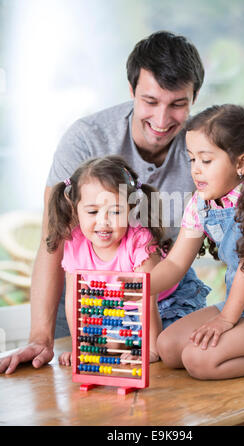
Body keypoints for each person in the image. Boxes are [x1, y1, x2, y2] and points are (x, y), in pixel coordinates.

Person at [0, 31, 206, 374]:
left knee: (174, 376)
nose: (161, 119)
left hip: (166, 301)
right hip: (89, 304)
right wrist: (41, 338)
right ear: (131, 91)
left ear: (194, 98)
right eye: (150, 101)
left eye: (177, 104)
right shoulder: (86, 139)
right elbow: (53, 241)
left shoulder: (204, 150)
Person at [148, 103, 244, 380]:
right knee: (168, 348)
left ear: (241, 163)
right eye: (191, 159)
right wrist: (138, 285)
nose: (196, 170)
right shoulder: (201, 202)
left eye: (206, 160)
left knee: (199, 361)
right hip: (240, 300)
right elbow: (175, 264)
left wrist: (226, 320)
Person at [46, 155, 209, 364]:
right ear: (75, 208)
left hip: (163, 304)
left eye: (115, 211)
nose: (103, 222)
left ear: (130, 210)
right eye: (93, 211)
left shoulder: (139, 241)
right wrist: (80, 346)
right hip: (118, 311)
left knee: (173, 345)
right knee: (109, 345)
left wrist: (150, 350)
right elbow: (73, 300)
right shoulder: (74, 243)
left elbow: (147, 298)